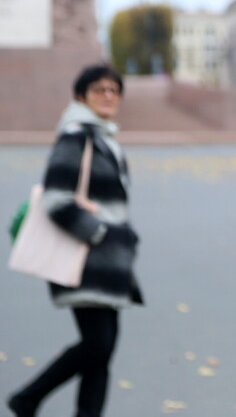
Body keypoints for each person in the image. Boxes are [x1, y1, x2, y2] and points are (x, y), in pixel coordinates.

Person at [7, 65, 143, 417]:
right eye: (99, 90)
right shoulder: (76, 136)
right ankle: (27, 398)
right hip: (86, 258)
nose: (109, 96)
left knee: (102, 350)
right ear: (81, 96)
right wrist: (97, 233)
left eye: (114, 90)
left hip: (107, 262)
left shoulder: (103, 137)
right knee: (98, 346)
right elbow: (56, 199)